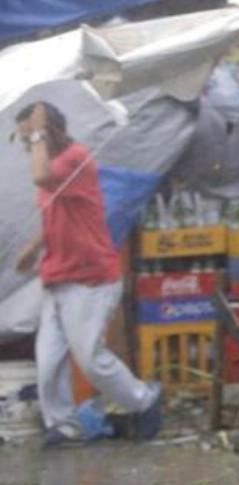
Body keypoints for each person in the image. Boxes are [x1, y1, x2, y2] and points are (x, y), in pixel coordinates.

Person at [15, 102, 162, 448]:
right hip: (58, 275)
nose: (26, 147)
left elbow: (41, 178)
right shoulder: (54, 165)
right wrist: (35, 247)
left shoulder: (74, 159)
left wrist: (37, 132)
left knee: (90, 359)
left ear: (48, 132)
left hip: (91, 278)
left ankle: (143, 399)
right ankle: (63, 426)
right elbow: (56, 210)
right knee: (48, 362)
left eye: (29, 138)